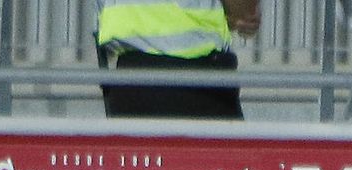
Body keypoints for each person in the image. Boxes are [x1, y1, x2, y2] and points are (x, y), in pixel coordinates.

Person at [95, 0, 260, 119]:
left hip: (128, 83)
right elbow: (243, 12)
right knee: (230, 162)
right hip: (194, 79)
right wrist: (242, 15)